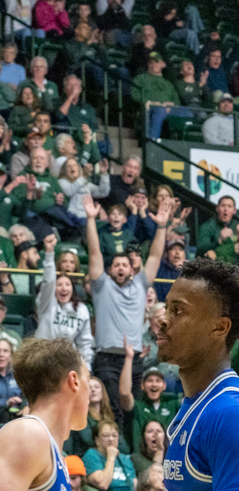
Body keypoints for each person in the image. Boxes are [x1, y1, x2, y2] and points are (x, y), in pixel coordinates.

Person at [85, 193, 170, 423]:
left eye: (125, 264)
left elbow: (154, 256)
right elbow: (94, 253)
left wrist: (161, 226)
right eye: (116, 264)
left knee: (132, 412)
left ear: (131, 270)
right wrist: (92, 220)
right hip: (107, 359)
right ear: (110, 270)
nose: (121, 267)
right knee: (113, 411)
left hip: (134, 359)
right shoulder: (102, 286)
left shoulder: (141, 285)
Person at [154, 258, 239, 489]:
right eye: (166, 307)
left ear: (219, 327)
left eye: (178, 311)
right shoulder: (198, 403)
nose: (162, 319)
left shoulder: (230, 414)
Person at [0, 338, 88, 490]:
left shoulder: (49, 449)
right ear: (74, 381)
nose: (90, 391)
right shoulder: (28, 434)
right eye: (88, 378)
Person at [34, 234, 94, 365]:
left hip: (67, 362)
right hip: (43, 360)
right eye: (59, 285)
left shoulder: (81, 310)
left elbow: (85, 342)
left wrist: (86, 367)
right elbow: (48, 282)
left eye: (67, 285)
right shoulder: (46, 303)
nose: (63, 288)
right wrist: (49, 253)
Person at [82, 420, 137, 491]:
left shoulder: (125, 459)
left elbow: (135, 485)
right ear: (97, 440)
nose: (111, 439)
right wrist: (111, 457)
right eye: (106, 435)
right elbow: (103, 484)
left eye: (114, 435)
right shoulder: (91, 455)